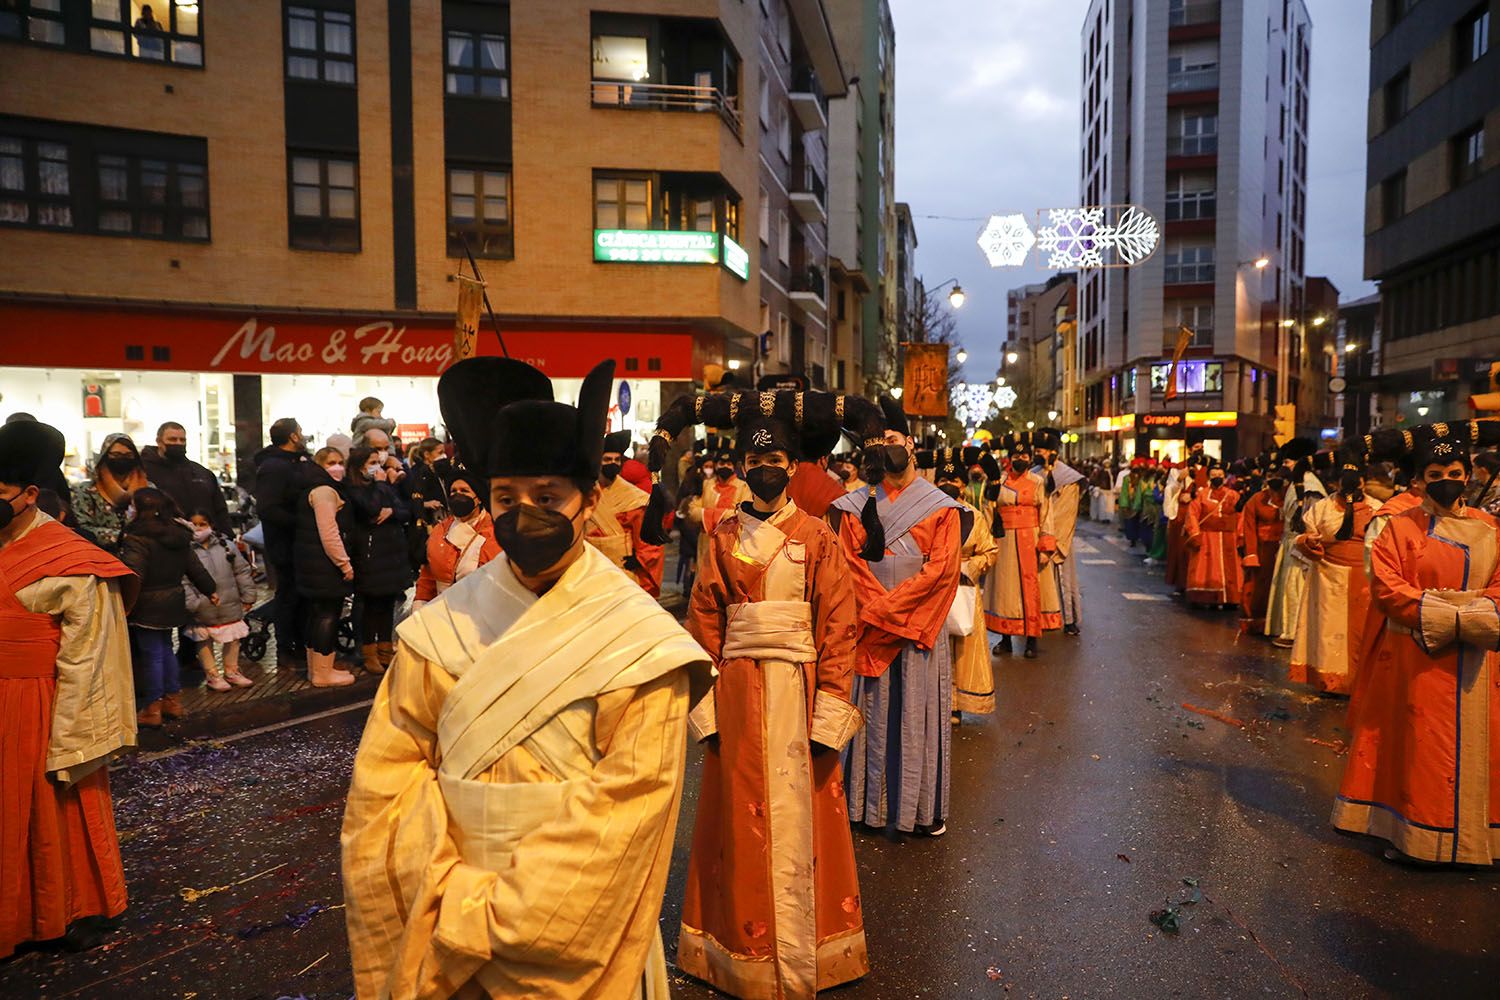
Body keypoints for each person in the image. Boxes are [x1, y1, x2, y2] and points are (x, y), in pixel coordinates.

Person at [342, 357, 712, 998]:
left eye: (547, 498)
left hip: (574, 923)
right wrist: (447, 895)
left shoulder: (640, 643)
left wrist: (490, 919)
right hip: (442, 899)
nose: (524, 515)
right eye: (506, 499)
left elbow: (625, 812)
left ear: (589, 498)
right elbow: (387, 781)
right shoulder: (439, 628)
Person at [656, 389, 869, 999]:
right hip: (739, 694)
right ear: (743, 468)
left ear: (791, 465)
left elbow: (838, 625)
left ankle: (811, 950)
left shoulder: (818, 536)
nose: (765, 469)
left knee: (806, 812)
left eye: (776, 459)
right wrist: (706, 706)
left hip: (802, 692)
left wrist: (831, 709)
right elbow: (704, 623)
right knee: (737, 816)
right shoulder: (721, 536)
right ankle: (739, 955)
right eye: (755, 462)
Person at [0, 420, 139, 959]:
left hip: (40, 705)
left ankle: (67, 909)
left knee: (52, 810)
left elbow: (91, 659)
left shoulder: (72, 561)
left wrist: (74, 737)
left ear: (30, 494)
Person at [1333, 423, 1500, 866]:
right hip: (1416, 656)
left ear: (1468, 475)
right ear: (1420, 479)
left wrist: (1475, 618)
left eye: (1455, 471)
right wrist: (1447, 616)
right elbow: (1386, 587)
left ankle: (1475, 839)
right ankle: (1418, 838)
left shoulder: (1490, 527)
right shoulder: (1398, 525)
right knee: (1419, 745)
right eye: (1435, 473)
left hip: (1477, 660)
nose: (1447, 480)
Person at [830, 396, 963, 836]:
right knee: (872, 713)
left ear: (910, 441)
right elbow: (850, 566)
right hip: (877, 625)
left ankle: (919, 811)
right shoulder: (852, 507)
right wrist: (881, 610)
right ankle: (866, 809)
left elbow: (941, 571)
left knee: (917, 717)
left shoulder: (942, 505)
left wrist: (884, 610)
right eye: (879, 440)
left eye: (893, 438)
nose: (888, 446)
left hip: (910, 627)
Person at [118, 487, 218, 727]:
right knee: (164, 649)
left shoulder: (137, 537)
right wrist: (210, 589)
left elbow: (134, 574)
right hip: (173, 600)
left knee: (153, 653)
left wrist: (125, 603)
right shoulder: (178, 535)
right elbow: (194, 567)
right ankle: (173, 701)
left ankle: (153, 708)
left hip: (147, 603)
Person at [1288, 453, 1380, 695]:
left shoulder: (1378, 510)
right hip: (1327, 577)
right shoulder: (1321, 508)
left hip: (1365, 579)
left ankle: (1361, 682)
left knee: (1363, 633)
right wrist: (1308, 542)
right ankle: (1331, 682)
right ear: (1336, 483)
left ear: (1364, 482)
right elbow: (1301, 541)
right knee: (1329, 633)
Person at [926, 448, 998, 718]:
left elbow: (989, 551)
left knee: (962, 647)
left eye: (954, 482)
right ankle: (936, 702)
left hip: (964, 586)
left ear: (964, 486)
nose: (948, 486)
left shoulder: (975, 516)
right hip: (931, 588)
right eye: (942, 482)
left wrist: (968, 567)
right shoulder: (924, 514)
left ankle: (957, 704)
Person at [984, 434, 1060, 659]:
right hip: (1005, 541)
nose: (1021, 458)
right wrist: (987, 543)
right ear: (1009, 458)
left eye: (1024, 455)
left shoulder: (1038, 483)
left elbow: (1047, 514)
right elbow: (989, 512)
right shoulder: (997, 482)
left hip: (1032, 540)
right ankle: (1005, 639)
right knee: (1005, 592)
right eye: (1016, 455)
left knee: (1032, 591)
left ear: (1030, 458)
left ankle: (1031, 641)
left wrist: (1046, 546)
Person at [345, 445, 412, 675]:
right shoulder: (353, 489)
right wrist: (383, 486)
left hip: (391, 552)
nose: (377, 467)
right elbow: (370, 509)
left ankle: (385, 648)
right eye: (371, 462)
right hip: (370, 553)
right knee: (370, 606)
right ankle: (368, 652)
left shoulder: (380, 487)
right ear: (359, 466)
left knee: (387, 603)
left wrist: (392, 511)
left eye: (378, 462)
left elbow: (405, 510)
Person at [294, 447, 357, 688]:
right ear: (320, 464)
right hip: (325, 566)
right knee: (327, 616)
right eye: (332, 462)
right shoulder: (324, 491)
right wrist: (345, 564)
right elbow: (329, 531)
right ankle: (323, 672)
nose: (338, 466)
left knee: (318, 615)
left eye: (341, 461)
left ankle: (317, 669)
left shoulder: (312, 487)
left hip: (314, 564)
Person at [252, 417, 312, 668]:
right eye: (300, 431)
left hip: (298, 543)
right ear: (293, 437)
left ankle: (299, 645)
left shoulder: (295, 462)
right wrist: (301, 522)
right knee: (289, 596)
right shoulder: (274, 467)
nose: (302, 435)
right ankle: (286, 649)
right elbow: (268, 508)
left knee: (300, 595)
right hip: (286, 544)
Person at [184, 510, 258, 691]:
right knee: (203, 640)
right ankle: (212, 675)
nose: (199, 529)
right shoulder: (185, 551)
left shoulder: (227, 547)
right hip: (202, 607)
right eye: (194, 524)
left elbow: (242, 571)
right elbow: (183, 580)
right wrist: (194, 603)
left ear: (211, 525)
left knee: (233, 638)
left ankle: (232, 671)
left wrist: (248, 595)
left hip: (229, 602)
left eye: (203, 524)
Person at [585, 430, 660, 594]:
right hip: (590, 570)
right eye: (607, 459)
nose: (613, 463)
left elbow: (647, 538)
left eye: (617, 460)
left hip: (623, 572)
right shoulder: (584, 494)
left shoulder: (635, 498)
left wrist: (639, 560)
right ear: (599, 461)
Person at [1265, 440, 1324, 646]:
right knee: (1289, 587)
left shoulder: (1310, 487)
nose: (1286, 466)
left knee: (1296, 587)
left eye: (1289, 461)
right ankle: (1288, 629)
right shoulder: (1297, 483)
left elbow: (1313, 518)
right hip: (1290, 541)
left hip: (1300, 544)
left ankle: (1295, 632)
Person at [413, 469, 500, 609]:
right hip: (442, 609)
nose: (457, 495)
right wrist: (419, 604)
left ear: (478, 498)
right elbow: (428, 576)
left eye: (464, 491)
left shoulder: (495, 532)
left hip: (481, 610)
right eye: (453, 491)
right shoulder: (440, 530)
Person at [140, 421, 231, 536]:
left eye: (182, 440)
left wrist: (228, 537)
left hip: (205, 541)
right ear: (159, 442)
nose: (178, 443)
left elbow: (220, 510)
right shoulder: (143, 472)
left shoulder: (201, 473)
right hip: (162, 540)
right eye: (172, 439)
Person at [1035, 429, 1084, 635]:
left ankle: (1069, 620)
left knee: (1064, 579)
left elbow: (1067, 512)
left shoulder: (1069, 478)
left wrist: (1053, 539)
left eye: (1042, 450)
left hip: (1058, 538)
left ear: (1053, 452)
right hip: (1036, 536)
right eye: (1037, 449)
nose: (1039, 453)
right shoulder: (1033, 474)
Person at [71, 433, 150, 550]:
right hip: (100, 555)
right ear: (105, 456)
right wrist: (121, 537)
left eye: (128, 455)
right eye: (116, 454)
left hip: (141, 553)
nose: (122, 459)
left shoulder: (148, 489)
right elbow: (83, 527)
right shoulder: (86, 490)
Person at [1183, 463, 1242, 609]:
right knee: (1208, 568)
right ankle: (1207, 597)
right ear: (1209, 477)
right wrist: (1195, 533)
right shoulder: (1201, 495)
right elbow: (1192, 514)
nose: (1217, 478)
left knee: (1232, 568)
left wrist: (1240, 535)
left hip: (1229, 537)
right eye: (1214, 475)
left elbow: (1241, 516)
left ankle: (1230, 599)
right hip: (1208, 538)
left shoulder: (1233, 495)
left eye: (1220, 475)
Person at [1237, 459, 1286, 633]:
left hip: (1283, 548)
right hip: (1262, 548)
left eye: (1278, 475)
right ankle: (1256, 621)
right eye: (1270, 475)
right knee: (1258, 586)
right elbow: (1248, 527)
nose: (1274, 479)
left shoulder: (1290, 497)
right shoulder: (1256, 500)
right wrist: (1251, 554)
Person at [689, 445, 751, 568]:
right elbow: (692, 511)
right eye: (721, 463)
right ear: (716, 465)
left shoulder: (743, 487)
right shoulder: (706, 484)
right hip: (706, 542)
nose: (725, 467)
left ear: (734, 467)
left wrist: (708, 514)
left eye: (729, 464)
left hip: (731, 543)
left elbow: (743, 515)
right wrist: (724, 514)